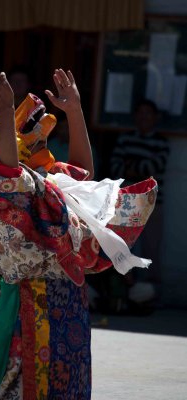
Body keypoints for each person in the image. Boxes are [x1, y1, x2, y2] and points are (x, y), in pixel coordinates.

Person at [0, 67, 157, 399]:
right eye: (22, 131)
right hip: (31, 308)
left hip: (69, 305)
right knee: (15, 383)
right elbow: (6, 169)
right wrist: (4, 110)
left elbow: (83, 178)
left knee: (64, 384)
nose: (37, 133)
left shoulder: (47, 181)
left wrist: (74, 111)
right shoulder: (4, 185)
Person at [110, 99, 170, 309]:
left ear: (155, 117)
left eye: (148, 113)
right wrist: (140, 170)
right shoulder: (125, 139)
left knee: (151, 249)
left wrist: (132, 168)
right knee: (124, 247)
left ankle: (149, 297)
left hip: (153, 206)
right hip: (127, 204)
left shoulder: (162, 142)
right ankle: (124, 294)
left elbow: (153, 167)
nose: (144, 117)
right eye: (140, 112)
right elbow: (116, 167)